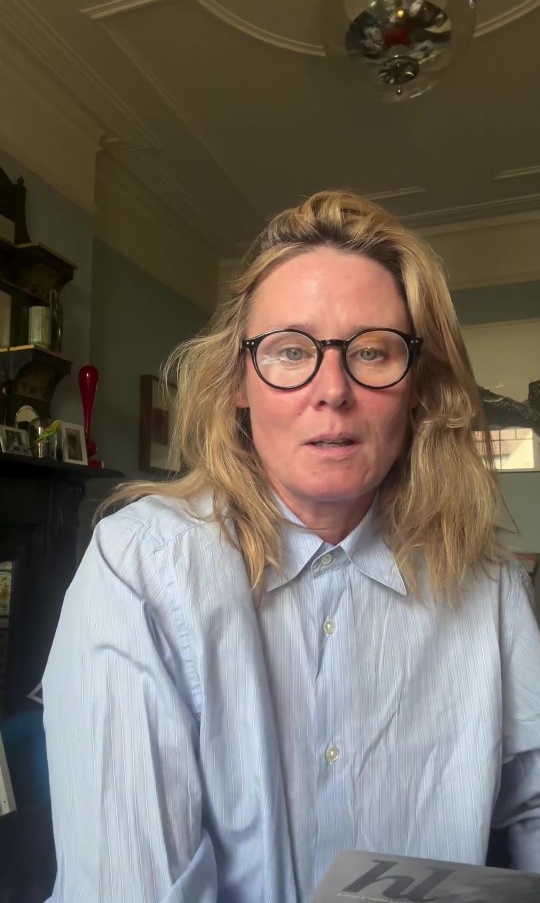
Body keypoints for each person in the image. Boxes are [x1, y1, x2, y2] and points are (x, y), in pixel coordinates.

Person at [42, 190, 540, 903]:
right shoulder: (141, 569)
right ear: (240, 383)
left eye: (372, 351)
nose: (331, 390)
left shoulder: (486, 583)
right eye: (289, 351)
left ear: (418, 388)